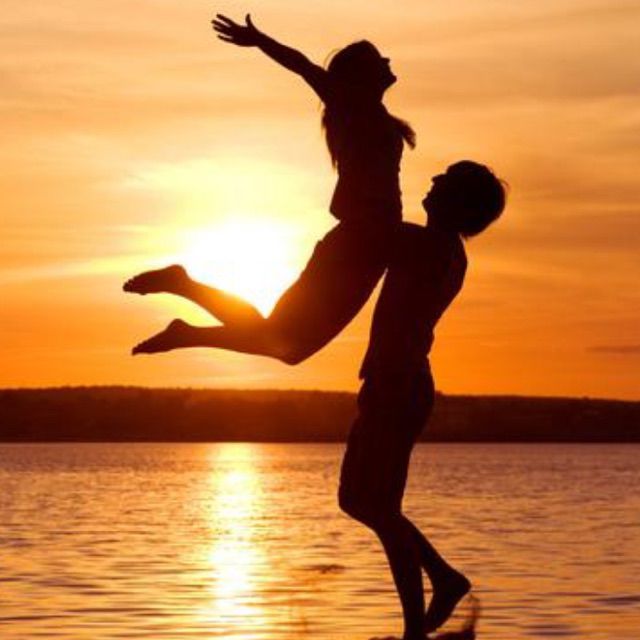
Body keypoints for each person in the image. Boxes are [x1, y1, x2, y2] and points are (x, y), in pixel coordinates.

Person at [125, 13, 415, 361]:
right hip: (358, 241)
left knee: (286, 344)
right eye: (379, 59)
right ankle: (183, 300)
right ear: (360, 76)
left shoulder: (377, 117)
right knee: (284, 342)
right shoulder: (350, 107)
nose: (387, 60)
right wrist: (260, 40)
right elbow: (303, 66)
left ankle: (184, 314)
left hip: (371, 242)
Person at [338, 160, 506, 639]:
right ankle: (443, 578)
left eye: (445, 181)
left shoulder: (430, 246)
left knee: (377, 506)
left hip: (399, 387)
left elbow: (364, 227)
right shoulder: (436, 246)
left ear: (460, 205)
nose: (432, 181)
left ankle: (417, 628)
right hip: (393, 385)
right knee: (359, 500)